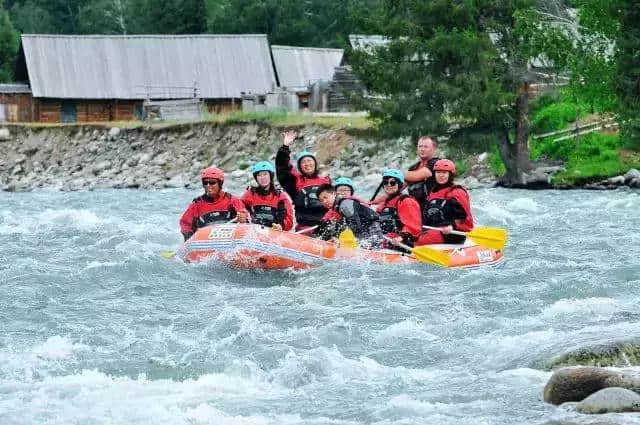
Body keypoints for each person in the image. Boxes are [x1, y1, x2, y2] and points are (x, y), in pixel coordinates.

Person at [275, 129, 331, 229]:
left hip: (326, 226)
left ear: (315, 163)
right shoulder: (295, 181)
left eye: (309, 161)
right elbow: (282, 168)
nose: (307, 164)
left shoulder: (325, 180)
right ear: (300, 167)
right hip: (305, 227)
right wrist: (285, 147)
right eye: (303, 162)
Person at [179, 167, 249, 241]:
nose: (208, 185)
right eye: (205, 183)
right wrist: (188, 238)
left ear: (220, 183)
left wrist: (243, 219)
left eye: (212, 182)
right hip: (205, 241)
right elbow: (185, 223)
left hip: (229, 240)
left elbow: (245, 216)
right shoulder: (196, 204)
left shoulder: (232, 200)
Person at [416, 159, 474, 245]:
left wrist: (451, 226)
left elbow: (464, 218)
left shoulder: (456, 192)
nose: (441, 175)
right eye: (438, 172)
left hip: (452, 233)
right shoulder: (433, 192)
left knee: (418, 240)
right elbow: (427, 216)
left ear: (450, 175)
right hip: (435, 229)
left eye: (444, 173)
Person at [315, 184, 383, 245]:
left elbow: (356, 225)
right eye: (321, 200)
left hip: (373, 231)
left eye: (325, 197)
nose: (324, 201)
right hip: (364, 231)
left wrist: (342, 241)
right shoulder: (336, 208)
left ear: (334, 193)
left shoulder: (345, 204)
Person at [375, 169, 423, 249]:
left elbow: (413, 226)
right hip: (387, 243)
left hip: (403, 244)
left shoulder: (406, 201)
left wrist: (401, 237)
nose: (389, 185)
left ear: (400, 185)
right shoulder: (383, 204)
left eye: (393, 182)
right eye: (386, 182)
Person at [240, 161, 295, 231]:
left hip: (274, 233)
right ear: (256, 178)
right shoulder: (250, 194)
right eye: (259, 175)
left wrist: (281, 226)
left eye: (265, 174)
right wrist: (243, 217)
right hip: (253, 232)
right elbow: (240, 209)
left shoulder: (281, 196)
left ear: (270, 176)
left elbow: (288, 220)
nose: (262, 178)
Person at [405, 136, 440, 209]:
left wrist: (394, 174)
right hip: (415, 208)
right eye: (420, 146)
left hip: (433, 208)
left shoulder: (437, 163)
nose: (422, 149)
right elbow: (399, 186)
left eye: (425, 147)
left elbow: (419, 175)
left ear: (433, 149)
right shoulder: (413, 168)